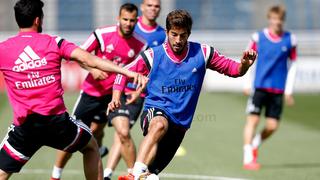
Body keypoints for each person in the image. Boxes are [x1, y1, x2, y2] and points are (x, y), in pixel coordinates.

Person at [0, 0, 147, 180]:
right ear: (38, 20)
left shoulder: (3, 49)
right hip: (57, 124)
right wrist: (126, 71)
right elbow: (89, 60)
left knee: (3, 170)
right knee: (91, 146)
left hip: (25, 127)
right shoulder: (54, 42)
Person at [108, 9, 257, 179]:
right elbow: (122, 73)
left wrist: (244, 65)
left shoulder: (203, 53)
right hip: (156, 110)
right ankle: (135, 171)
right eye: (174, 34)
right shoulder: (153, 55)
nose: (178, 40)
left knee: (151, 176)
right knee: (159, 125)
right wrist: (115, 98)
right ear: (167, 32)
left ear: (189, 34)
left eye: (182, 35)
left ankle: (141, 174)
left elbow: (233, 69)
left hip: (180, 124)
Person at [51, 3, 147, 180]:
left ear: (137, 21)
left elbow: (144, 71)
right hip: (91, 94)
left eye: (132, 20)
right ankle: (56, 175)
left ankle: (134, 175)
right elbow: (79, 55)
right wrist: (93, 70)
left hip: (116, 96)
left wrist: (139, 89)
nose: (128, 23)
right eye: (125, 19)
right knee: (72, 135)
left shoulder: (141, 44)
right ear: (118, 18)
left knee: (123, 133)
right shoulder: (102, 34)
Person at [242, 5, 297, 170]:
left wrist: (289, 90)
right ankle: (247, 158)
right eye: (274, 19)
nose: (277, 22)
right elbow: (247, 60)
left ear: (283, 20)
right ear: (269, 19)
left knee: (273, 126)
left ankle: (255, 144)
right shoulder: (258, 38)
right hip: (259, 87)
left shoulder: (290, 39)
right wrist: (246, 83)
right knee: (253, 120)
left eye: (279, 19)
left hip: (278, 89)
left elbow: (293, 64)